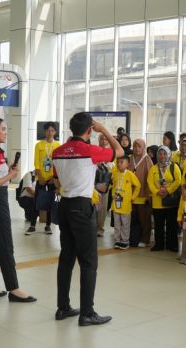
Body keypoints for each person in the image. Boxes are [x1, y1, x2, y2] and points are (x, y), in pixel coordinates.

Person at [52, 112, 123, 326]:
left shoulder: (58, 151)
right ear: (90, 130)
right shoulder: (90, 151)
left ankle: (62, 307)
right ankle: (87, 313)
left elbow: (56, 179)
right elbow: (119, 151)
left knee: (66, 259)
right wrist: (105, 130)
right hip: (82, 208)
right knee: (88, 262)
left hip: (64, 205)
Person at [0, 115, 36, 303]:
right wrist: (11, 174)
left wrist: (7, 170)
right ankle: (14, 288)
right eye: (3, 129)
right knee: (5, 244)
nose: (5, 132)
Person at [147, 146, 182, 252]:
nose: (162, 156)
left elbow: (178, 180)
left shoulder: (173, 167)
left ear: (168, 155)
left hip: (170, 200)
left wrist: (168, 190)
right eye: (160, 154)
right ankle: (159, 244)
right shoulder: (153, 168)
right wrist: (157, 191)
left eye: (164, 154)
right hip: (157, 200)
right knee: (158, 224)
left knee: (171, 224)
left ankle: (172, 245)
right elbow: (150, 182)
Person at [30, 122, 61, 235]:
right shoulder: (39, 145)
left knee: (50, 202)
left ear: (55, 132)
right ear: (45, 131)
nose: (50, 132)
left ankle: (48, 225)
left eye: (52, 130)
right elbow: (37, 163)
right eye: (48, 130)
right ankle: (32, 225)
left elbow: (59, 164)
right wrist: (40, 177)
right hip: (41, 179)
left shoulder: (58, 145)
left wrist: (55, 178)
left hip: (52, 179)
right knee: (36, 202)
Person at [111, 156, 140, 250]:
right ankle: (117, 241)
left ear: (127, 164)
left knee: (125, 224)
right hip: (116, 203)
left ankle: (125, 241)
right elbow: (113, 186)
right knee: (117, 223)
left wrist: (133, 197)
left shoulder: (130, 174)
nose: (119, 164)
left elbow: (138, 186)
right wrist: (112, 195)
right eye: (118, 162)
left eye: (121, 162)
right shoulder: (115, 174)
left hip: (126, 204)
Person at [129, 138, 153, 247]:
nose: (137, 149)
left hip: (143, 195)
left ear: (143, 148)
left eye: (139, 146)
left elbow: (151, 178)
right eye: (135, 146)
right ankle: (134, 238)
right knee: (133, 219)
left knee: (144, 219)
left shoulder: (147, 159)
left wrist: (148, 194)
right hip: (131, 195)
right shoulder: (130, 159)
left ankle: (145, 239)